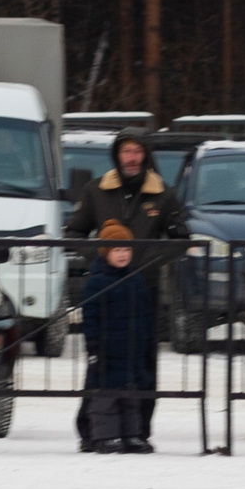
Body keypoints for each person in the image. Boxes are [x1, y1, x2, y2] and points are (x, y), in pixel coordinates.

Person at [67, 128, 189, 335]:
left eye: (138, 151)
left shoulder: (164, 194)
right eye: (126, 151)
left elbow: (181, 241)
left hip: (145, 288)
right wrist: (101, 257)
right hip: (104, 286)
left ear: (146, 155)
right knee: (104, 350)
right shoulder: (95, 191)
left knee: (143, 352)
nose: (132, 157)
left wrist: (145, 261)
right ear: (116, 154)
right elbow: (73, 234)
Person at [79, 221, 159, 453]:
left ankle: (131, 434)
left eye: (127, 250)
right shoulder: (97, 282)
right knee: (105, 395)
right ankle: (104, 435)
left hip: (132, 348)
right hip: (108, 349)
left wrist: (146, 340)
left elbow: (145, 313)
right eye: (117, 250)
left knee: (131, 396)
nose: (123, 255)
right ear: (105, 252)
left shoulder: (135, 279)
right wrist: (93, 345)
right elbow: (90, 316)